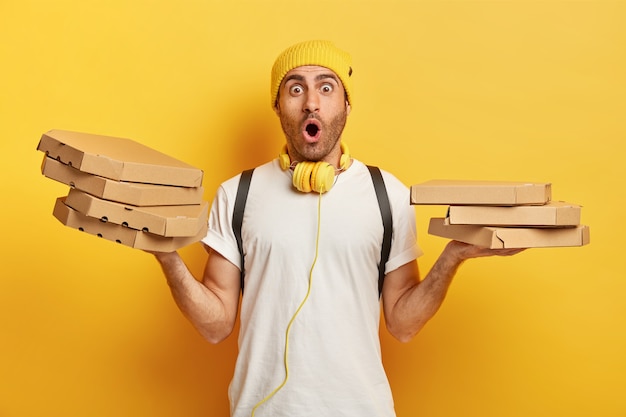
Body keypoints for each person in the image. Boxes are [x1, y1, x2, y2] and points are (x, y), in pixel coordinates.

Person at [151, 40, 523, 417]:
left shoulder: (387, 194)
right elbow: (215, 326)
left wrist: (453, 257)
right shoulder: (237, 195)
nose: (311, 102)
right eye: (295, 88)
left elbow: (403, 324)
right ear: (278, 106)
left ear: (346, 104)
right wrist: (165, 255)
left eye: (326, 87)